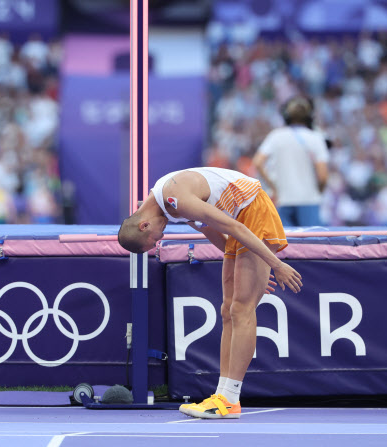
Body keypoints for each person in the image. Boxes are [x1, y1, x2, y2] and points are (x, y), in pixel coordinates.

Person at [118, 166, 302, 419]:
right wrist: (248, 264)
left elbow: (234, 228)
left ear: (144, 224)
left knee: (241, 309)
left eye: (154, 239)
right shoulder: (165, 206)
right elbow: (210, 230)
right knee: (227, 310)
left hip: (253, 211)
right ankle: (221, 395)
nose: (159, 238)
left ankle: (231, 398)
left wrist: (275, 264)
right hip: (242, 219)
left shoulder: (176, 199)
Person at [252, 96, 329, 227]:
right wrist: (318, 191)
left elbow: (258, 162)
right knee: (310, 244)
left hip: (284, 199)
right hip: (309, 200)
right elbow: (323, 176)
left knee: (286, 244)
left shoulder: (276, 136)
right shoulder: (316, 138)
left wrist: (274, 186)